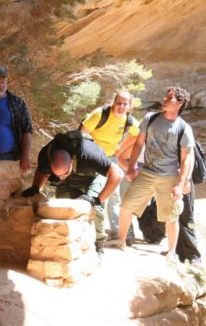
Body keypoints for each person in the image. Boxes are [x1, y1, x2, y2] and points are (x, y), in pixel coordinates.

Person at [108, 87, 196, 264]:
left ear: (180, 103)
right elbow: (139, 144)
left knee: (171, 216)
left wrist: (181, 183)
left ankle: (171, 252)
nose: (165, 99)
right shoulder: (151, 118)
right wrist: (131, 167)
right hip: (147, 172)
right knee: (126, 205)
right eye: (166, 95)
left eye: (170, 97)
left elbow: (186, 158)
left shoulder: (183, 128)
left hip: (169, 176)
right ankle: (121, 240)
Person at [21, 130, 124, 252]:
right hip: (71, 177)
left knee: (95, 208)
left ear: (71, 161)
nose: (60, 178)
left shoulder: (89, 155)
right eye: (57, 175)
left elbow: (117, 175)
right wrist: (35, 188)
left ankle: (98, 245)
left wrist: (97, 199)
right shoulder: (45, 155)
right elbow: (42, 171)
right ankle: (70, 240)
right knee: (63, 207)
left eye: (63, 174)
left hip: (94, 175)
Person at [80, 90, 140, 240]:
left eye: (124, 104)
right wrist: (88, 153)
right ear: (114, 102)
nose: (121, 106)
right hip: (92, 156)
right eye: (118, 102)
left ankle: (120, 233)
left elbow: (138, 134)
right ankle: (87, 229)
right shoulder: (100, 114)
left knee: (114, 194)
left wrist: (121, 148)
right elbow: (82, 134)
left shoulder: (129, 120)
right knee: (90, 190)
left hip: (110, 157)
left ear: (129, 106)